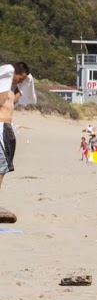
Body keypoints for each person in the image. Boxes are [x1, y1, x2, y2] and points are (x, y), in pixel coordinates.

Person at [0, 61, 34, 218]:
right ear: (13, 74)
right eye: (20, 78)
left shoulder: (11, 91)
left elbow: (12, 103)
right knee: (1, 168)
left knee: (3, 169)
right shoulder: (3, 87)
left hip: (7, 129)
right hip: (1, 128)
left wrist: (24, 85)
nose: (21, 81)